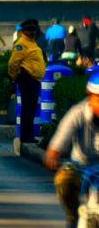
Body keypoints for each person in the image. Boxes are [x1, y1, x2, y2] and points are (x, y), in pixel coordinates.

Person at [44, 72, 99, 228]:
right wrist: (54, 152)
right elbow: (63, 135)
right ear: (90, 97)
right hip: (81, 166)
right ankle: (73, 216)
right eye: (98, 98)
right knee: (64, 178)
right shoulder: (77, 113)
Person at [9, 19, 46, 144]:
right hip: (27, 78)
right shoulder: (22, 44)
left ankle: (29, 135)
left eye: (33, 30)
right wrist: (14, 77)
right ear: (23, 31)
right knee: (27, 109)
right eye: (29, 30)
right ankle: (26, 136)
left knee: (31, 109)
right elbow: (13, 63)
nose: (32, 32)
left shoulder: (32, 43)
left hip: (34, 79)